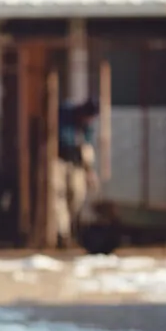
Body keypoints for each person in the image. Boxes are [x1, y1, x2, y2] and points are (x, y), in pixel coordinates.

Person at [53, 98, 100, 249]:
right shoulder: (65, 114)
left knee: (77, 194)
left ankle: (69, 228)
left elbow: (86, 148)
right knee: (58, 194)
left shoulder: (86, 127)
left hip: (76, 163)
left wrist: (89, 171)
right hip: (58, 159)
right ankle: (63, 233)